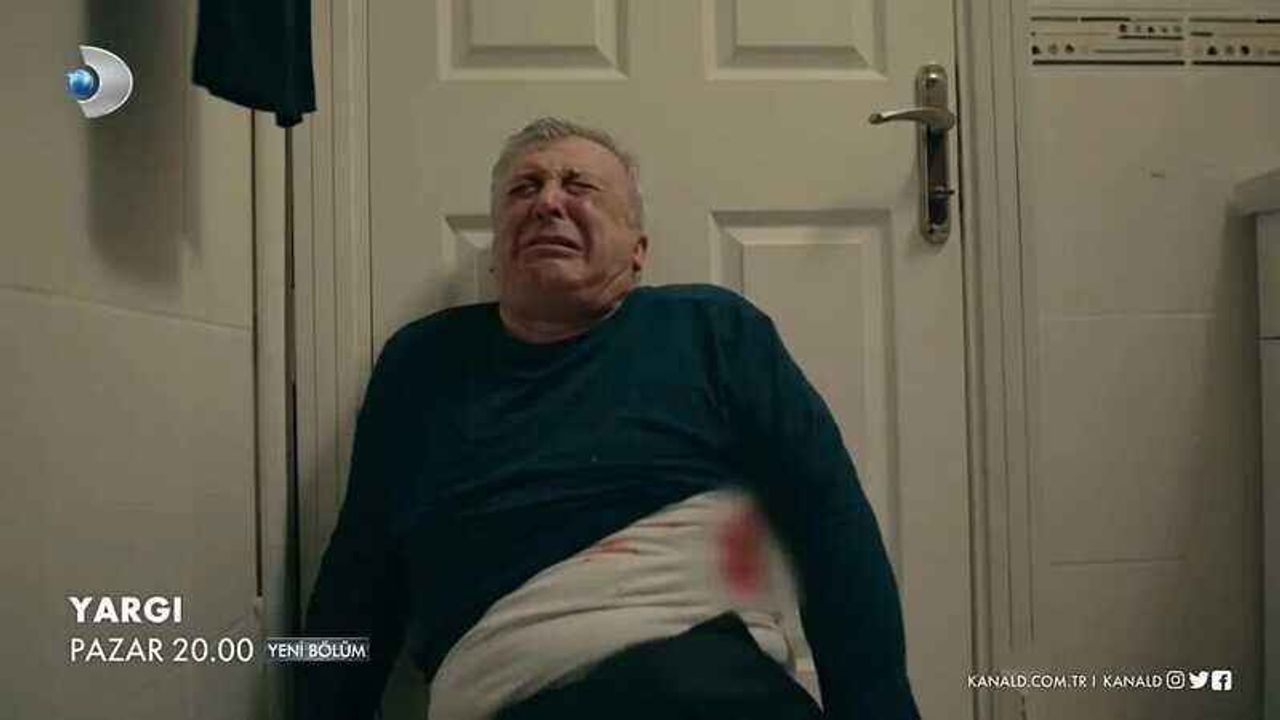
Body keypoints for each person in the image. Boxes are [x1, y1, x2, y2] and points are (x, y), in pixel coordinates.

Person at [299, 117, 921, 720]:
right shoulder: (422, 363)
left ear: (637, 250)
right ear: (495, 254)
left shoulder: (712, 332)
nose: (548, 203)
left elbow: (831, 528)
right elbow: (357, 580)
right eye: (524, 189)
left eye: (580, 187)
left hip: (712, 691)